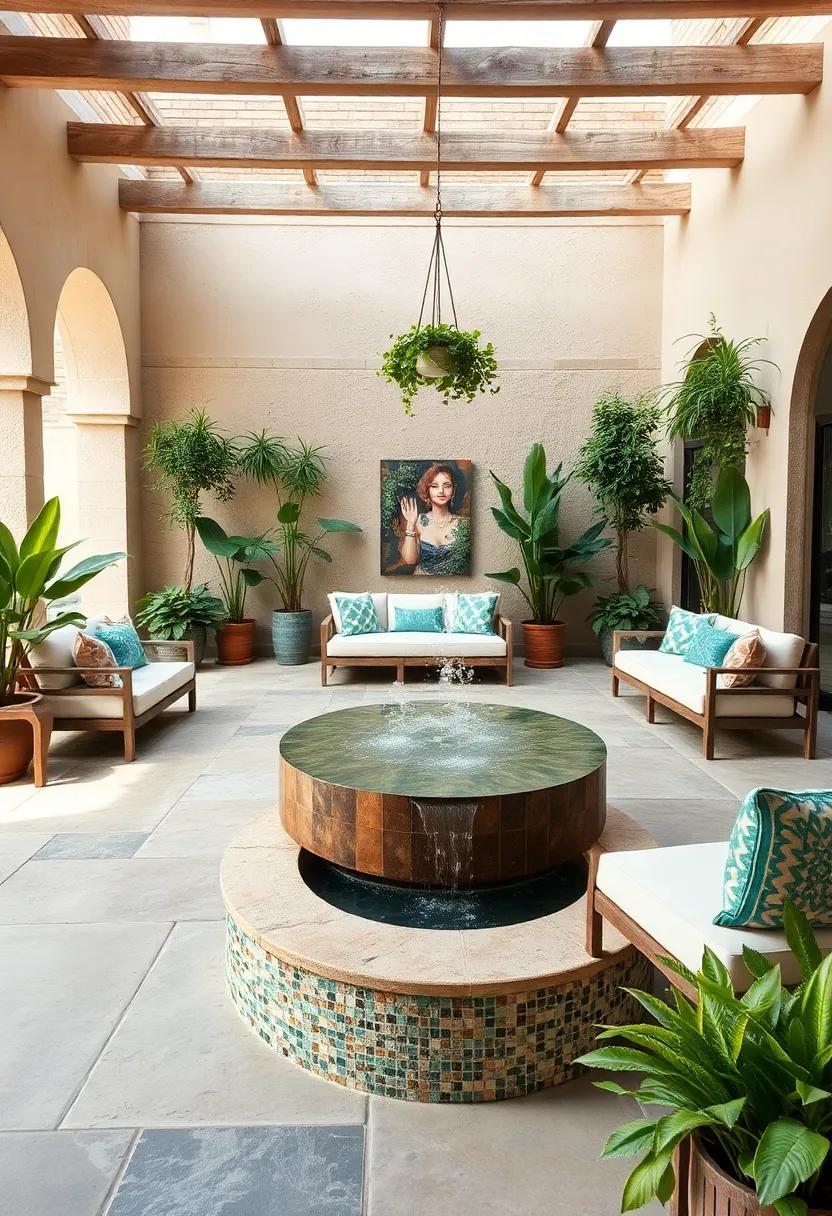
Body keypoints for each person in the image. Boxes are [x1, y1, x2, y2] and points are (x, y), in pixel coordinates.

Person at [399, 464, 467, 576]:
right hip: (422, 587)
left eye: (447, 485)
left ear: (453, 490)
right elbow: (410, 561)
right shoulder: (419, 521)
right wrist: (411, 523)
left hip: (454, 587)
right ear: (427, 490)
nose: (441, 491)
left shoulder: (463, 524)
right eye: (434, 486)